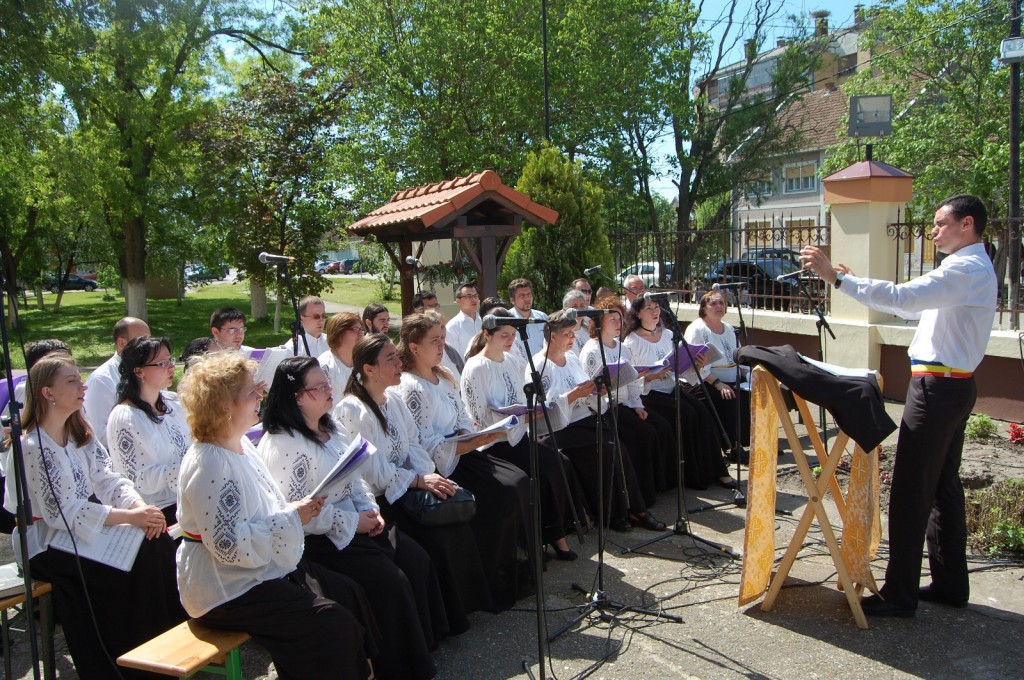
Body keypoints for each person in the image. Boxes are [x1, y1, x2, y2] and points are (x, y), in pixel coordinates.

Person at [801, 194, 997, 618]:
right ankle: (949, 584)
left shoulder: (965, 267)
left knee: (910, 491)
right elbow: (915, 307)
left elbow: (904, 298)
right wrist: (853, 280)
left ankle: (899, 593)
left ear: (967, 224)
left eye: (941, 223)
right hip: (950, 387)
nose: (933, 230)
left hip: (938, 391)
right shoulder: (968, 268)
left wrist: (836, 280)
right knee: (942, 487)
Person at [176, 352, 376, 679]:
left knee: (345, 593)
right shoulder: (210, 462)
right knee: (331, 624)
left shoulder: (240, 445)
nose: (260, 396)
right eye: (251, 392)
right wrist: (292, 519)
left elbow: (266, 509)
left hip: (255, 571)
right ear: (225, 405)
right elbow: (227, 546)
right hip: (225, 590)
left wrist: (294, 512)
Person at [258, 357, 444, 679]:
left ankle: (418, 649)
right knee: (390, 581)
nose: (329, 390)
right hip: (319, 540)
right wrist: (352, 523)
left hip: (353, 520)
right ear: (297, 397)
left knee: (416, 558)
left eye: (327, 383)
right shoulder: (284, 444)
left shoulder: (331, 426)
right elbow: (297, 511)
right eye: (319, 387)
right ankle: (395, 666)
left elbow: (354, 476)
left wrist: (368, 507)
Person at [16, 354, 184, 679]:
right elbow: (62, 513)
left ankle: (164, 653)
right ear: (47, 393)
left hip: (85, 530)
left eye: (81, 379)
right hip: (49, 544)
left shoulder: (78, 431)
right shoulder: (33, 446)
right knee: (126, 567)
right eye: (72, 381)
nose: (83, 386)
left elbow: (109, 478)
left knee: (156, 541)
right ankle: (122, 664)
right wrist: (128, 518)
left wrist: (138, 507)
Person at [336, 334, 492, 634]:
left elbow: (413, 444)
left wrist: (431, 476)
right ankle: (435, 625)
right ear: (369, 369)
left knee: (454, 520)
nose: (399, 364)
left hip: (408, 486)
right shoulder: (352, 410)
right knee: (429, 544)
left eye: (397, 356)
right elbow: (370, 470)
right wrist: (419, 480)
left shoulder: (392, 399)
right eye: (390, 360)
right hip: (380, 500)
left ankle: (460, 612)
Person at [394, 313, 532, 607]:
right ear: (414, 347)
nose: (442, 345)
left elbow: (461, 416)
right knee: (502, 494)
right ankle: (489, 577)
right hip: (444, 465)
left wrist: (473, 434)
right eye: (435, 340)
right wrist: (468, 441)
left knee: (519, 482)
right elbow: (423, 443)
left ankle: (511, 567)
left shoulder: (442, 375)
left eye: (443, 338)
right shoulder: (410, 387)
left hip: (466, 452)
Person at [461, 309, 583, 561]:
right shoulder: (475, 368)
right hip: (493, 444)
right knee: (529, 477)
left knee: (558, 464)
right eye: (504, 335)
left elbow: (521, 398)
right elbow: (478, 417)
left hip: (517, 436)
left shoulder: (513, 360)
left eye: (513, 334)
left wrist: (533, 410)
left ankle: (555, 534)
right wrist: (513, 417)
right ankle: (533, 542)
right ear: (487, 334)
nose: (510, 340)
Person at [534, 311, 665, 532]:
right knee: (605, 449)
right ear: (553, 337)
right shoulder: (540, 365)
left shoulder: (572, 359)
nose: (573, 339)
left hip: (585, 419)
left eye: (573, 334)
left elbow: (587, 389)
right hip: (558, 429)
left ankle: (634, 508)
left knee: (618, 446)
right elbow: (543, 411)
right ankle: (612, 514)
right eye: (567, 335)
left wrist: (599, 389)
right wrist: (575, 395)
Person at [623, 296, 735, 489]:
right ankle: (693, 475)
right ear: (638, 314)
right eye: (649, 308)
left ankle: (716, 471)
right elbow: (631, 378)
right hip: (650, 394)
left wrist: (696, 363)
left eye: (656, 307)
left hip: (672, 387)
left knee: (703, 413)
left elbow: (681, 368)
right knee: (688, 414)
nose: (654, 311)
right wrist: (651, 377)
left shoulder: (668, 334)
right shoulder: (631, 341)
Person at [579, 296, 677, 504]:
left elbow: (632, 381)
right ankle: (641, 494)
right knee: (644, 433)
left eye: (620, 319)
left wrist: (638, 405)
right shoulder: (592, 350)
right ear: (599, 323)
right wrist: (602, 392)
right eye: (612, 319)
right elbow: (589, 390)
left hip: (625, 404)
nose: (619, 324)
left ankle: (659, 484)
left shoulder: (621, 347)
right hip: (605, 409)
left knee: (659, 426)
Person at [106, 336, 192, 523]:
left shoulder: (173, 402)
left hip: (186, 499)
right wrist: (191, 468)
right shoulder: (126, 417)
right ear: (139, 371)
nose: (171, 367)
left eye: (170, 360)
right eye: (161, 363)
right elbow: (140, 479)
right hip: (155, 514)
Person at [683, 290, 750, 461]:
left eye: (721, 303)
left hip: (733, 377)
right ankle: (732, 446)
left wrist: (749, 374)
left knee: (754, 393)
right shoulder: (697, 329)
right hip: (707, 380)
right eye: (713, 303)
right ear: (704, 308)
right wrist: (718, 383)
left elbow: (738, 357)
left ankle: (752, 441)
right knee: (728, 397)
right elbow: (695, 365)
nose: (719, 306)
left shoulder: (728, 328)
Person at [83, 316, 150, 449]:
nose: (149, 346)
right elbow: (99, 435)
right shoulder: (101, 381)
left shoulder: (152, 371)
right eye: (143, 340)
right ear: (122, 343)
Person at [319, 312, 365, 403]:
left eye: (361, 329)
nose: (361, 334)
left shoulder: (365, 362)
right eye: (355, 329)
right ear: (339, 332)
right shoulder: (323, 366)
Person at [508, 278, 547, 359]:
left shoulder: (543, 318)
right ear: (512, 300)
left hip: (543, 368)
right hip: (519, 370)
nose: (527, 299)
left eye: (529, 294)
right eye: (522, 295)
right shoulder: (507, 320)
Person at [445, 282, 482, 358]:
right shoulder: (453, 326)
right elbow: (451, 355)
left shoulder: (484, 322)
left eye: (475, 296)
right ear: (458, 301)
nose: (473, 299)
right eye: (469, 296)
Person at [562, 288, 591, 355]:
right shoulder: (561, 333)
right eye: (574, 306)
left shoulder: (589, 331)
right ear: (565, 309)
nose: (579, 309)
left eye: (582, 306)